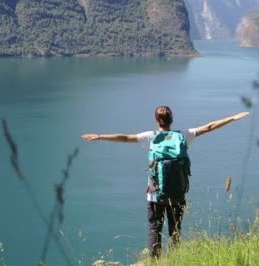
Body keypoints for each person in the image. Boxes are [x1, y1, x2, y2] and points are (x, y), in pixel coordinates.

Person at [81, 106, 249, 257]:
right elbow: (209, 127)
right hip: (178, 193)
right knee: (175, 229)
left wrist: (100, 136)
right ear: (172, 119)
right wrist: (232, 117)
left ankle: (155, 264)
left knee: (155, 229)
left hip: (155, 195)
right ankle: (175, 260)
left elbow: (125, 138)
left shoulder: (150, 137)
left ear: (156, 121)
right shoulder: (183, 135)